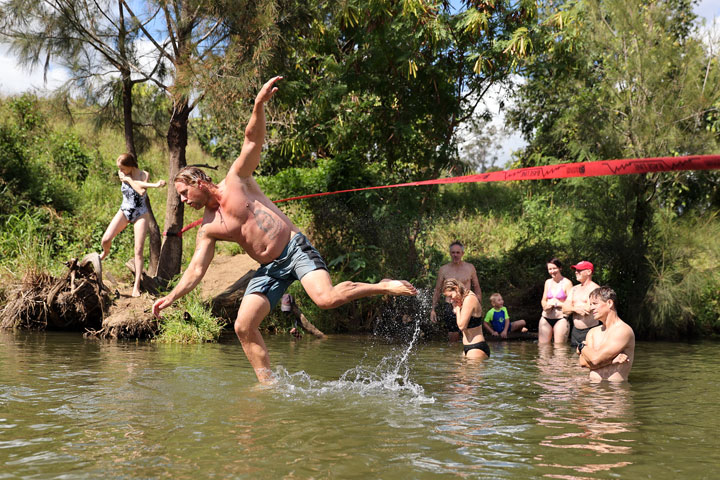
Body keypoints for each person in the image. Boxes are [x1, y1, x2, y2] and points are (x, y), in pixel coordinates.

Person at [151, 76, 417, 383]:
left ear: (199, 182)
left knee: (326, 300)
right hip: (269, 268)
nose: (184, 201)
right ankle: (269, 385)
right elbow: (196, 270)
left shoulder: (238, 180)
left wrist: (258, 105)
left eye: (185, 193)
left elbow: (252, 141)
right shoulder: (208, 228)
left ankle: (382, 285)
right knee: (243, 326)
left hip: (294, 248)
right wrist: (170, 298)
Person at [100, 153, 166, 297]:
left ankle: (136, 286)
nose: (120, 171)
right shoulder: (123, 173)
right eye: (120, 169)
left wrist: (129, 180)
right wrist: (153, 184)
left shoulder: (143, 174)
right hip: (125, 210)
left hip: (140, 213)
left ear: (131, 166)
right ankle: (104, 253)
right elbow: (134, 185)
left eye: (123, 168)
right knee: (105, 239)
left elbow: (141, 191)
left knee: (138, 249)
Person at [577, 286, 634, 382]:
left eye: (595, 304)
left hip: (614, 392)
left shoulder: (623, 330)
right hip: (592, 390)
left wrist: (581, 348)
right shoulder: (592, 332)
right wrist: (612, 361)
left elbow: (594, 359)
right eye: (590, 304)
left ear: (609, 303)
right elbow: (582, 362)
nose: (591, 308)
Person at [430, 241, 482, 341]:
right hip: (450, 304)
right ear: (450, 253)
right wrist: (433, 309)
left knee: (469, 332)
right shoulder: (444, 269)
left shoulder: (470, 267)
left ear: (462, 253)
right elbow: (437, 290)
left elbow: (477, 287)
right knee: (453, 334)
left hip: (467, 303)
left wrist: (478, 304)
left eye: (458, 252)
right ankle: (452, 354)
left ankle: (467, 352)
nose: (455, 255)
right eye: (453, 252)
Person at [442, 278, 489, 359]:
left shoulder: (469, 299)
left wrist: (457, 309)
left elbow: (461, 326)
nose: (451, 300)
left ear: (456, 288)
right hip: (468, 348)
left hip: (476, 347)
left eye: (451, 296)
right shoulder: (463, 300)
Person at [562, 260, 600, 347]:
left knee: (587, 358)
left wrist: (571, 307)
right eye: (575, 270)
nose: (576, 272)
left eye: (579, 270)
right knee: (573, 359)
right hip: (575, 331)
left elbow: (586, 310)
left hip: (590, 330)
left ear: (589, 272)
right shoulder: (574, 289)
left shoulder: (595, 289)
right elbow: (564, 309)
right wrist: (575, 309)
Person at [539, 258, 573, 344]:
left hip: (561, 318)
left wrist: (557, 304)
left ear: (560, 268)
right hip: (546, 317)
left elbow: (571, 304)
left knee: (559, 348)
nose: (552, 271)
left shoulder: (567, 283)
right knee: (543, 347)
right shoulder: (548, 282)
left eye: (554, 268)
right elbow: (543, 300)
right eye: (550, 269)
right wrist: (545, 306)